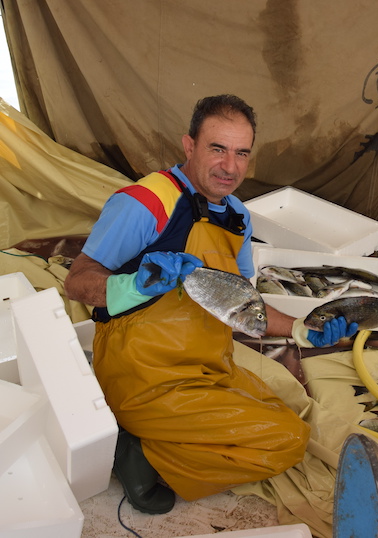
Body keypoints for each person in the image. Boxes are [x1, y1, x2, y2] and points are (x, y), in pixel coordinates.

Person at [64, 94, 358, 514]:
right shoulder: (145, 203)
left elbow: (242, 303)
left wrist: (301, 328)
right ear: (189, 146)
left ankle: (158, 434)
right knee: (287, 441)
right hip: (144, 374)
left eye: (241, 153)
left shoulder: (237, 216)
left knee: (283, 409)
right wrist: (136, 285)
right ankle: (137, 453)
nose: (230, 167)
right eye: (217, 149)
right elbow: (76, 281)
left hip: (208, 364)